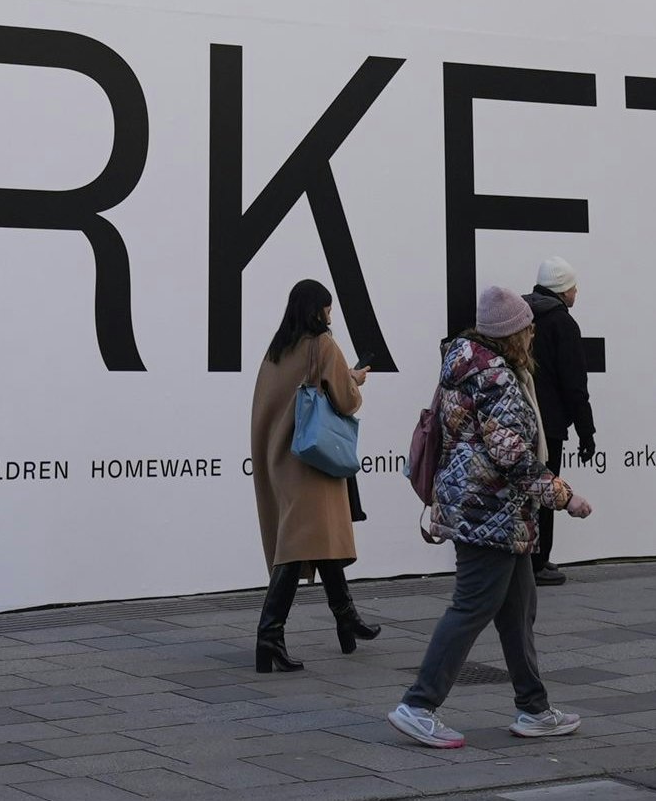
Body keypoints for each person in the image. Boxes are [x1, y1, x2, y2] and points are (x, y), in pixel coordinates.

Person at [387, 284, 588, 750]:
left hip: (488, 508)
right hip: (488, 510)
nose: (533, 333)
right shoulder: (495, 378)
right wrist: (564, 495)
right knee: (472, 606)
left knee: (518, 610)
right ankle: (418, 705)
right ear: (512, 332)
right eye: (527, 326)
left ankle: (534, 708)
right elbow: (511, 455)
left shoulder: (465, 364)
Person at [247, 277, 375, 671]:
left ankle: (345, 618)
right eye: (328, 307)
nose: (331, 314)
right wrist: (354, 379)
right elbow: (347, 401)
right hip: (312, 462)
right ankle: (269, 636)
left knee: (319, 537)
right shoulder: (323, 344)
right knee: (298, 546)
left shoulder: (276, 349)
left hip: (281, 460)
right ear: (318, 310)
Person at [524, 259, 597, 585]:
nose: (576, 292)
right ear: (561, 289)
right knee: (547, 486)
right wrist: (586, 432)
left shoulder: (522, 316)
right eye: (572, 287)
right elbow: (574, 384)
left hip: (519, 418)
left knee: (524, 488)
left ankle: (526, 558)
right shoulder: (562, 324)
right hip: (549, 422)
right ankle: (539, 561)